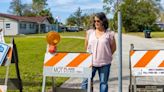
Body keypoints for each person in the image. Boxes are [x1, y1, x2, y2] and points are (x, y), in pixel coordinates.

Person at [81, 12, 116, 92]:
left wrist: (106, 55)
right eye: (95, 21)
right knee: (85, 83)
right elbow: (86, 46)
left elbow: (113, 48)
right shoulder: (90, 32)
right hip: (90, 63)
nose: (96, 23)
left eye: (98, 21)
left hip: (104, 63)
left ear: (103, 21)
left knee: (103, 83)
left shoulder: (109, 34)